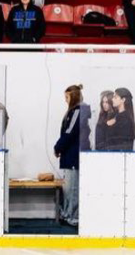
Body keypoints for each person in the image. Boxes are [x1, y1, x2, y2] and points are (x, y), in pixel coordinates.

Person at [54, 85, 83, 227]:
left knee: (73, 189)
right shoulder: (71, 112)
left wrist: (57, 147)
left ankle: (74, 217)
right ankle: (66, 214)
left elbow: (69, 133)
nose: (65, 100)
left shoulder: (78, 112)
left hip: (73, 157)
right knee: (67, 188)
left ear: (74, 97)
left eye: (67, 97)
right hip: (68, 156)